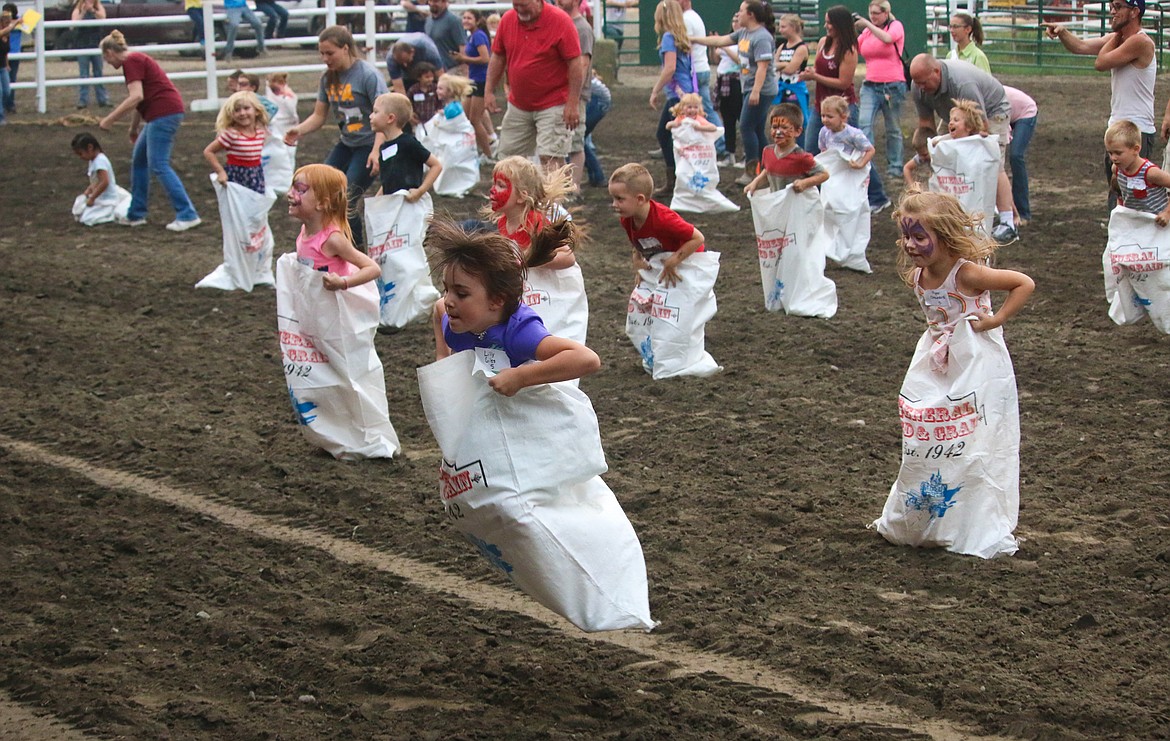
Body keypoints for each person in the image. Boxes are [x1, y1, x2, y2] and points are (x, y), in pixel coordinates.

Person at [875, 188, 1033, 558]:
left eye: (919, 236)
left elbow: (1022, 283)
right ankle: (929, 513)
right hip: (938, 357)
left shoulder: (969, 273)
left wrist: (995, 320)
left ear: (944, 237)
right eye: (906, 236)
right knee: (933, 430)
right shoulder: (918, 275)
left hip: (978, 362)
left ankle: (971, 517)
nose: (910, 244)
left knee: (974, 438)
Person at [428, 219, 600, 396]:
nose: (449, 300)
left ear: (496, 300)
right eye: (446, 289)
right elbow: (439, 307)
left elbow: (587, 359)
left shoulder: (518, 331)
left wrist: (520, 377)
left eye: (461, 294)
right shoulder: (451, 320)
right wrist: (443, 361)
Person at [1045, 0, 1155, 209]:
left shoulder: (1139, 42)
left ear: (1134, 12)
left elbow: (1100, 63)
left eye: (1118, 6)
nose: (1112, 11)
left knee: (1132, 200)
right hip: (1118, 129)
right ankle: (1117, 241)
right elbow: (1081, 46)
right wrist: (1062, 32)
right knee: (1117, 195)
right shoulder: (1119, 39)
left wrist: (1115, 36)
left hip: (1136, 131)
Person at [283, 25, 387, 249]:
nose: (325, 58)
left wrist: (377, 150)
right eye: (322, 53)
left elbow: (386, 115)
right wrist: (298, 130)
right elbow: (319, 115)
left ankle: (357, 251)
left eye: (329, 53)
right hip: (347, 143)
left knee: (346, 198)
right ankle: (330, 243)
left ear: (346, 48)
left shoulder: (368, 76)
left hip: (368, 145)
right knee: (320, 189)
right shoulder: (327, 79)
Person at [98, 30, 201, 231]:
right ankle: (136, 213)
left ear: (110, 52)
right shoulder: (136, 59)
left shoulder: (131, 62)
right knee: (140, 161)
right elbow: (142, 98)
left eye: (105, 57)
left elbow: (135, 97)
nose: (107, 62)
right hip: (161, 113)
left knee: (159, 164)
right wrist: (134, 127)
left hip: (163, 113)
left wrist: (109, 119)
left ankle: (187, 213)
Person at [909, 54, 1016, 243]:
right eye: (917, 83)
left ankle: (1008, 222)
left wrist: (976, 142)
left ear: (936, 71)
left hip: (989, 112)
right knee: (945, 156)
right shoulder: (918, 87)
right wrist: (932, 148)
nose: (921, 87)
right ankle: (950, 212)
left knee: (992, 161)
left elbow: (980, 124)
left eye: (924, 82)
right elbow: (926, 123)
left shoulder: (962, 83)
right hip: (954, 116)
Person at [801, 6, 888, 210]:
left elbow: (843, 82)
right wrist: (812, 71)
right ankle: (822, 192)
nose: (826, 26)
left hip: (843, 107)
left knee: (856, 150)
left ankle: (877, 195)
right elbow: (823, 69)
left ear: (839, 24)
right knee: (812, 150)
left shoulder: (849, 49)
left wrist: (814, 77)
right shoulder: (824, 43)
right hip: (821, 106)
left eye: (829, 23)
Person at [485, 0, 582, 170]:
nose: (520, 10)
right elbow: (498, 56)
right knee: (508, 158)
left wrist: (573, 102)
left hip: (553, 102)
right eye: (516, 5)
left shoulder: (560, 21)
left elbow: (575, 63)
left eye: (524, 5)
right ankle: (513, 195)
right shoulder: (508, 20)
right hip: (519, 104)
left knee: (550, 157)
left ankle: (554, 196)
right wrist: (489, 90)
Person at [691, 1, 777, 187]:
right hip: (752, 88)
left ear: (751, 15)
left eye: (741, 11)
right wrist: (694, 39)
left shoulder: (762, 37)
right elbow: (720, 41)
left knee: (746, 127)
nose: (738, 15)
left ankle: (751, 170)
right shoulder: (744, 33)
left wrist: (755, 91)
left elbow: (763, 67)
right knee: (755, 129)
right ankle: (768, 168)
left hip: (761, 90)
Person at [288, 163, 381, 297]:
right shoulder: (305, 230)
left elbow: (373, 269)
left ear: (321, 203)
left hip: (334, 310)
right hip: (314, 306)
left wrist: (343, 282)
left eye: (299, 189)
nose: (289, 194)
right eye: (292, 188)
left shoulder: (332, 239)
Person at [608, 162, 705, 289]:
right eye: (613, 199)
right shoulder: (627, 219)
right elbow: (638, 241)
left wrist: (673, 261)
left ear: (640, 199)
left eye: (620, 199)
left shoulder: (664, 220)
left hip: (689, 262)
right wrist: (637, 260)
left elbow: (698, 238)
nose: (614, 204)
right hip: (664, 261)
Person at [855, 0, 906, 182]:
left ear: (885, 13)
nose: (873, 17)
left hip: (892, 84)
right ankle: (867, 165)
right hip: (870, 84)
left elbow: (887, 39)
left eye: (876, 13)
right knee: (864, 124)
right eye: (871, 13)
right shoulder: (867, 32)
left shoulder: (895, 26)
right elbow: (856, 46)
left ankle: (895, 167)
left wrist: (866, 24)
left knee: (892, 128)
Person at [649, 0, 695, 197]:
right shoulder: (681, 36)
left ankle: (675, 179)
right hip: (686, 92)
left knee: (665, 134)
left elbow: (670, 68)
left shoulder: (668, 37)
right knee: (677, 137)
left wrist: (655, 90)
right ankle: (680, 179)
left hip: (677, 95)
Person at [369, 92, 442, 202]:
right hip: (393, 207)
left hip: (409, 207)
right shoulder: (384, 148)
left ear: (390, 118)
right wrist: (377, 200)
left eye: (375, 112)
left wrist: (420, 191)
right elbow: (388, 179)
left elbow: (436, 165)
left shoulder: (408, 143)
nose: (370, 116)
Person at [743, 102, 828, 196]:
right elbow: (768, 170)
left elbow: (824, 174)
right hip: (778, 205)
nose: (778, 132)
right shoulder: (767, 152)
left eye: (784, 127)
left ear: (797, 131)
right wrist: (754, 184)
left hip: (796, 206)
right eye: (775, 127)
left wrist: (805, 183)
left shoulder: (801, 157)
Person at [678, 0, 727, 161]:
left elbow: (686, 45)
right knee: (703, 107)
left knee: (702, 108)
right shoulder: (695, 17)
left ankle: (720, 143)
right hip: (701, 68)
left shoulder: (686, 19)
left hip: (694, 71)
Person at [558, 0, 593, 195]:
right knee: (564, 141)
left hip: (575, 94)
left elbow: (583, 64)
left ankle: (575, 187)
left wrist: (574, 95)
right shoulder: (564, 24)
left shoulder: (582, 28)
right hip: (562, 93)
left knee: (576, 141)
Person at [448, 8, 494, 159]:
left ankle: (488, 153)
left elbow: (485, 58)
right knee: (467, 118)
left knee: (475, 119)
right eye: (464, 18)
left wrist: (463, 59)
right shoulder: (472, 36)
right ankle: (485, 146)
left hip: (480, 81)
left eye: (469, 18)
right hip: (473, 80)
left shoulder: (479, 36)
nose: (465, 21)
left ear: (477, 21)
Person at [204, 91, 270, 194]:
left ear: (256, 111)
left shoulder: (261, 132)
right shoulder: (232, 134)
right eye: (237, 110)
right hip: (237, 176)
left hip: (256, 176)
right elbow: (209, 151)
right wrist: (220, 171)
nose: (242, 113)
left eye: (246, 108)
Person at [1106, 119, 1170, 225]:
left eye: (1118, 153)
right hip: (1136, 224)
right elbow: (1119, 191)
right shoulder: (1117, 169)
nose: (1113, 158)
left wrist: (1167, 213)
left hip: (1160, 225)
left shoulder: (1150, 173)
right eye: (1110, 153)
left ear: (1136, 149)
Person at [71, 132, 125, 225]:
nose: (81, 157)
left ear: (90, 148)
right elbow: (96, 181)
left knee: (87, 219)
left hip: (107, 199)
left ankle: (111, 214)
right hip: (101, 197)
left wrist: (92, 198)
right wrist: (87, 192)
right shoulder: (93, 160)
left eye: (81, 153)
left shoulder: (99, 161)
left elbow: (104, 182)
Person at [817, 94, 877, 173]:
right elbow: (823, 150)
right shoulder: (824, 132)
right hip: (833, 171)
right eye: (823, 116)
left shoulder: (853, 134)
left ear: (843, 117)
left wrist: (861, 164)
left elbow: (870, 150)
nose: (825, 120)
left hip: (850, 171)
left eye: (829, 116)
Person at [1004, 85, 1037, 226]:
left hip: (1025, 112)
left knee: (1016, 156)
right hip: (1007, 113)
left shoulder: (987, 98)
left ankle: (1023, 212)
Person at [713, 12, 742, 167]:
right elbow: (715, 59)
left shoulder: (743, 41)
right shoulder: (728, 40)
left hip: (736, 81)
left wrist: (724, 47)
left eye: (738, 20)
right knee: (727, 119)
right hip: (722, 80)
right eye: (733, 20)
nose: (735, 23)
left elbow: (740, 60)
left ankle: (745, 156)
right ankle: (729, 154)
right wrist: (716, 47)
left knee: (740, 118)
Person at [773, 14, 810, 134]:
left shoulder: (801, 48)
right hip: (781, 89)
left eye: (783, 27)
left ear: (793, 27)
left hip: (796, 90)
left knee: (796, 121)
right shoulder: (782, 46)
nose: (780, 29)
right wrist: (785, 64)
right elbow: (773, 65)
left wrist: (781, 65)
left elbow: (791, 69)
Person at [72, 0, 110, 110]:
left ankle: (102, 99)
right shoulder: (77, 9)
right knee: (84, 74)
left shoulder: (99, 8)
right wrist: (83, 12)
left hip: (96, 44)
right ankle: (83, 100)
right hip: (82, 44)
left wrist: (93, 11)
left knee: (98, 72)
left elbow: (103, 19)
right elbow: (73, 24)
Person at [583, 71, 611, 187]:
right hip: (599, 97)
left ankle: (597, 176)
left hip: (595, 98)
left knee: (574, 139)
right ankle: (596, 176)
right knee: (577, 139)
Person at [425, 0, 466, 71]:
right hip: (433, 70)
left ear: (444, 2)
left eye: (435, 1)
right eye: (430, 1)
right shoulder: (428, 20)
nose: (431, 4)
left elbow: (462, 46)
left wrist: (464, 68)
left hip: (452, 69)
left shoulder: (454, 20)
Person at [3, 2, 20, 113]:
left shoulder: (20, 21)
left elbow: (28, 22)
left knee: (12, 79)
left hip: (14, 53)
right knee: (6, 80)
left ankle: (10, 103)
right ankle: (6, 104)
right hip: (4, 53)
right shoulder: (4, 23)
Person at [0, 9, 16, 125]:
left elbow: (4, 52)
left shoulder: (7, 35)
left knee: (7, 91)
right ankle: (1, 116)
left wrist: (7, 64)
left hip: (2, 66)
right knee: (0, 91)